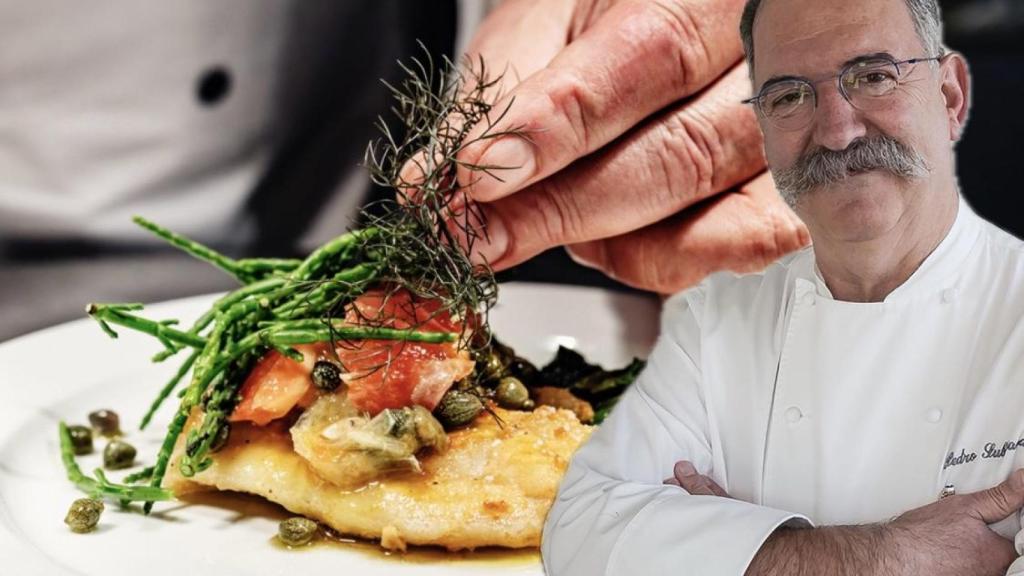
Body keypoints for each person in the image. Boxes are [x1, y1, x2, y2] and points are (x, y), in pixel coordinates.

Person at [541, 0, 1024, 574]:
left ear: (950, 95)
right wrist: (895, 557)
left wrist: (731, 547)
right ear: (763, 131)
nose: (838, 132)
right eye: (789, 95)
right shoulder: (714, 322)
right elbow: (581, 529)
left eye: (873, 76)